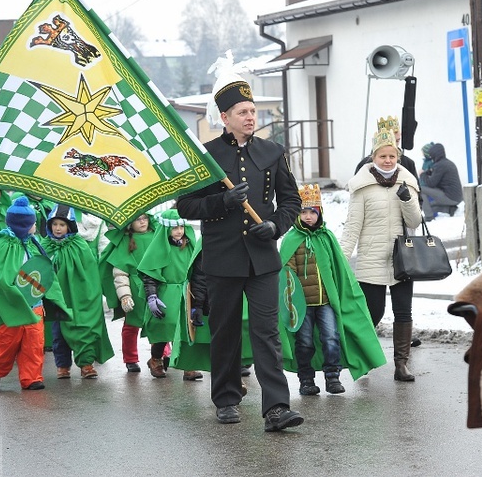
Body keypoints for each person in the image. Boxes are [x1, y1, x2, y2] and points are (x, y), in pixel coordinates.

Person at [177, 70, 304, 431]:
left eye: (253, 111)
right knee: (226, 331)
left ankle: (277, 408)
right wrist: (222, 200)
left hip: (263, 258)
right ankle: (227, 399)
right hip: (223, 259)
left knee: (267, 333)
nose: (251, 117)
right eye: (243, 112)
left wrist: (277, 225)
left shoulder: (272, 151)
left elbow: (291, 200)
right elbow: (185, 206)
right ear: (225, 118)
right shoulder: (207, 157)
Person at [280, 185, 386, 396]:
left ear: (319, 213)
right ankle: (306, 379)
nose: (308, 216)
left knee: (331, 337)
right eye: (303, 211)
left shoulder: (326, 237)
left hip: (326, 301)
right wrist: (293, 299)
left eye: (313, 212)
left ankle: (332, 377)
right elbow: (286, 273)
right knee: (305, 342)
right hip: (302, 306)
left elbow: (339, 270)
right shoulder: (291, 239)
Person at [341, 128, 422, 382]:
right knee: (372, 313)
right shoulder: (361, 187)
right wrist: (341, 258)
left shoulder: (407, 182)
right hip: (371, 259)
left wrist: (408, 200)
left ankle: (401, 365)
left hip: (402, 260)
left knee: (403, 312)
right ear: (373, 157)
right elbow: (352, 226)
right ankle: (363, 358)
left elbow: (415, 222)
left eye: (392, 156)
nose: (388, 161)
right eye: (382, 156)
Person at [0, 196, 72, 390]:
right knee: (7, 341)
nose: (34, 227)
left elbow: (44, 271)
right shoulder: (3, 244)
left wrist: (52, 294)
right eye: (31, 224)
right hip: (13, 305)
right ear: (23, 225)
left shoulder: (33, 244)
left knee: (34, 342)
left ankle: (32, 378)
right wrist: (11, 290)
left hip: (34, 303)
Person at [42, 204, 113, 379]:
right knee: (58, 333)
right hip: (57, 298)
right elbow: (38, 269)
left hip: (79, 296)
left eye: (62, 225)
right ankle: (62, 365)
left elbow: (89, 273)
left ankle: (86, 364)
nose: (58, 228)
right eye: (55, 224)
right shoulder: (45, 245)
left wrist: (92, 294)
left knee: (83, 329)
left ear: (70, 226)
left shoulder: (79, 245)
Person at [137, 209, 203, 381]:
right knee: (163, 326)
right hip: (165, 293)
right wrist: (152, 296)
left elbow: (197, 270)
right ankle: (156, 359)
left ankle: (187, 364)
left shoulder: (189, 245)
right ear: (166, 229)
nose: (179, 231)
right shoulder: (159, 248)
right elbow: (150, 274)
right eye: (174, 228)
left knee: (187, 328)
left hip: (186, 292)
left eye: (181, 227)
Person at [100, 212, 157, 373]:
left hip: (156, 286)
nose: (142, 222)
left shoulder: (157, 237)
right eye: (137, 219)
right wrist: (124, 296)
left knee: (158, 322)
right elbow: (120, 273)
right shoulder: (126, 241)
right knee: (131, 324)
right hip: (133, 288)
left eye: (144, 218)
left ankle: (159, 356)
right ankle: (131, 358)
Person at [418, 142, 463, 221]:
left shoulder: (440, 165)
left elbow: (431, 183)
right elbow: (436, 175)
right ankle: (450, 209)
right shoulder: (447, 163)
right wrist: (428, 172)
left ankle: (429, 217)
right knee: (430, 205)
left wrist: (422, 175)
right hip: (456, 196)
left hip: (450, 196)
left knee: (420, 189)